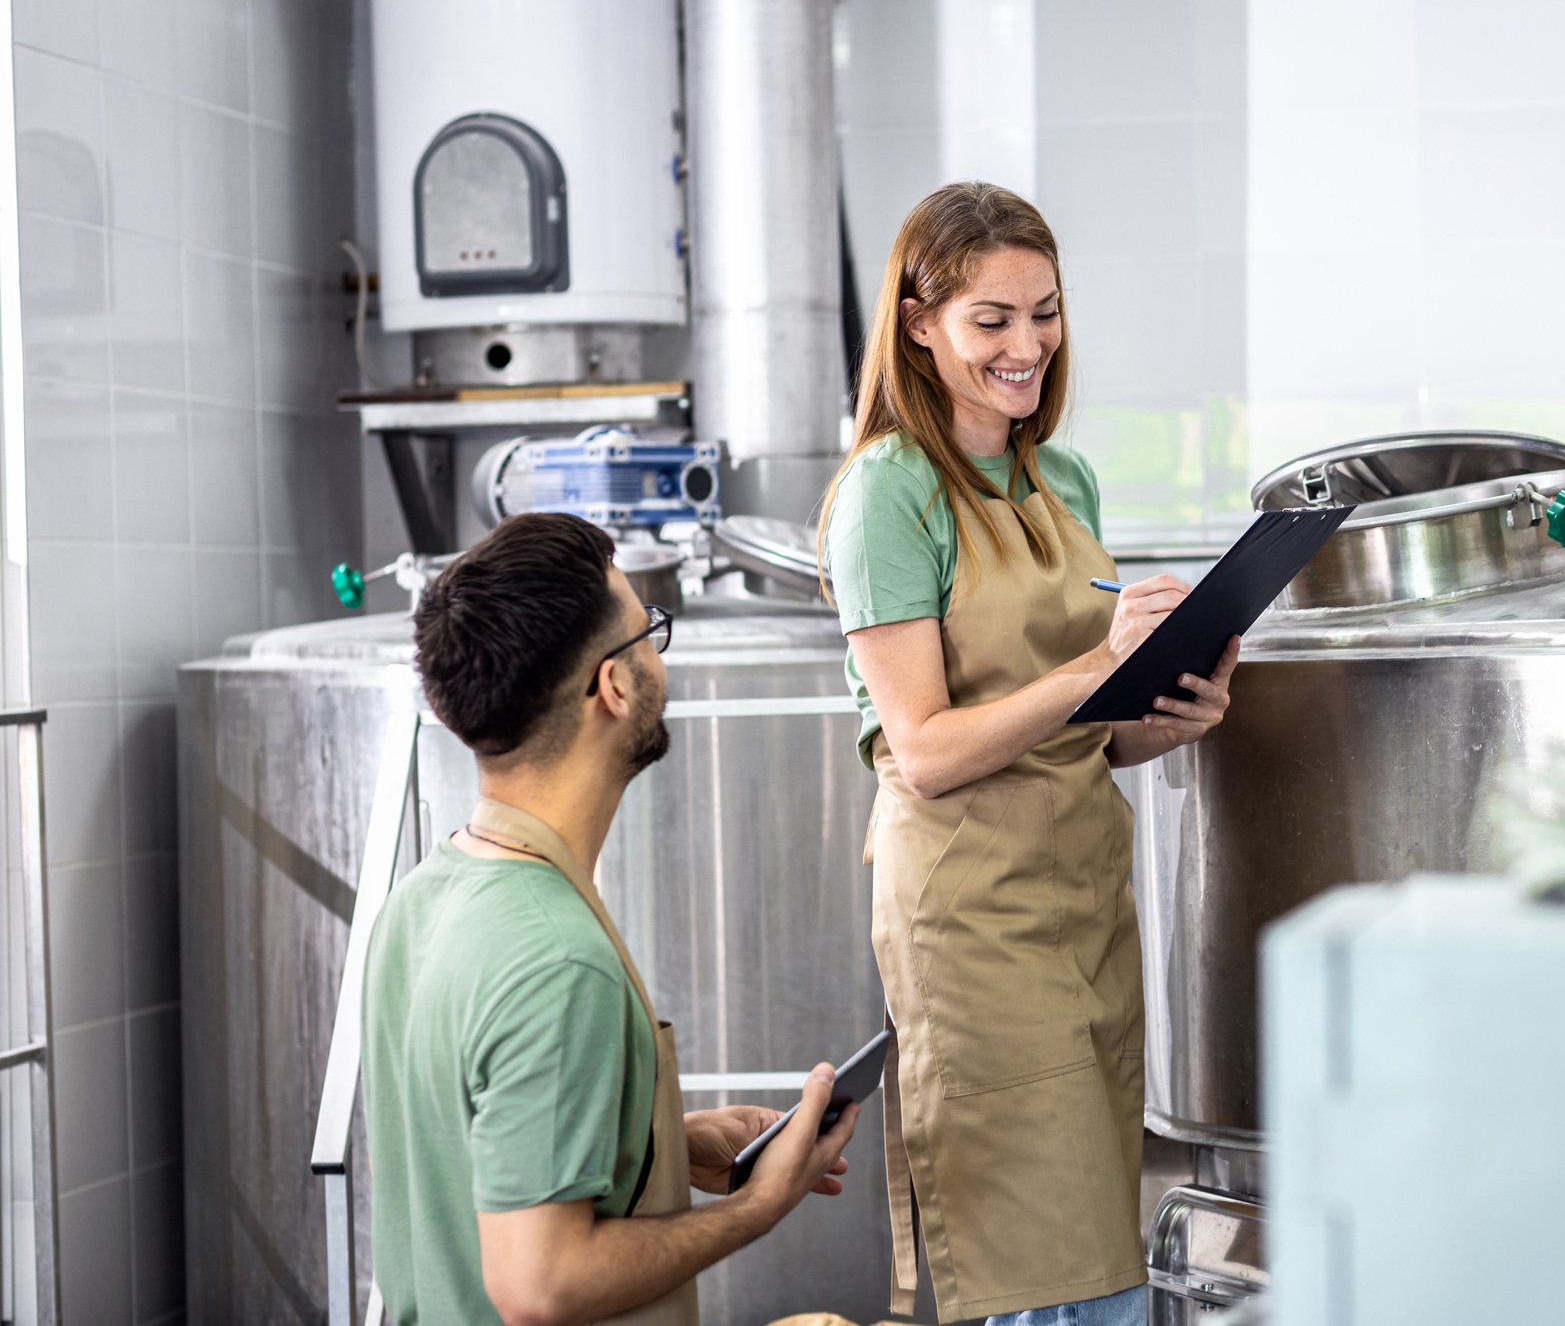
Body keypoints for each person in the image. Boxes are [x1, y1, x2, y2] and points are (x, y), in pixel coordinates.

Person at [821, 182, 1239, 1326]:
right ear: (918, 324)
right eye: (989, 321)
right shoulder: (886, 496)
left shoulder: (1065, 481)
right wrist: (1092, 670)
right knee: (1043, 1281)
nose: (1027, 347)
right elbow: (927, 748)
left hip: (1084, 911)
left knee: (1101, 1263)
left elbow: (1084, 734)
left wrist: (1170, 711)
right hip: (976, 931)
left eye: (1043, 312)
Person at [362, 512, 858, 1326]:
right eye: (647, 633)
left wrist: (664, 1143)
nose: (657, 655)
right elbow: (540, 1283)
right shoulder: (557, 961)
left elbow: (471, 1160)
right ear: (613, 686)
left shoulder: (424, 898)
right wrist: (756, 1207)